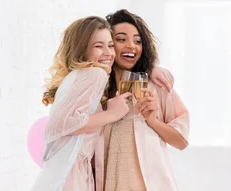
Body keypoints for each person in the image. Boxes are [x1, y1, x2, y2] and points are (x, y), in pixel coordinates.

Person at [31, 16, 131, 191]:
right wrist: (112, 114)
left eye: (110, 45)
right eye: (98, 46)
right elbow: (62, 123)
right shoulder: (95, 74)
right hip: (70, 172)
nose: (108, 53)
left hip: (64, 169)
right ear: (81, 49)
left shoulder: (79, 75)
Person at [102, 9, 190, 191]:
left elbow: (181, 141)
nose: (131, 46)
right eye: (121, 39)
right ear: (108, 45)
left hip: (151, 184)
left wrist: (152, 120)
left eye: (137, 41)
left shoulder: (156, 85)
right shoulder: (97, 87)